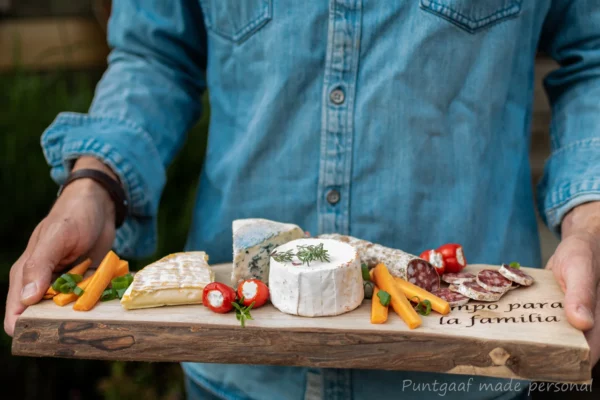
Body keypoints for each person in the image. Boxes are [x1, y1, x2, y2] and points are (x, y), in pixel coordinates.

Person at [5, 1, 600, 399]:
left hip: (468, 369)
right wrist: (96, 186)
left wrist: (591, 220)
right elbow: (155, 55)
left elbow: (592, 54)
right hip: (237, 373)